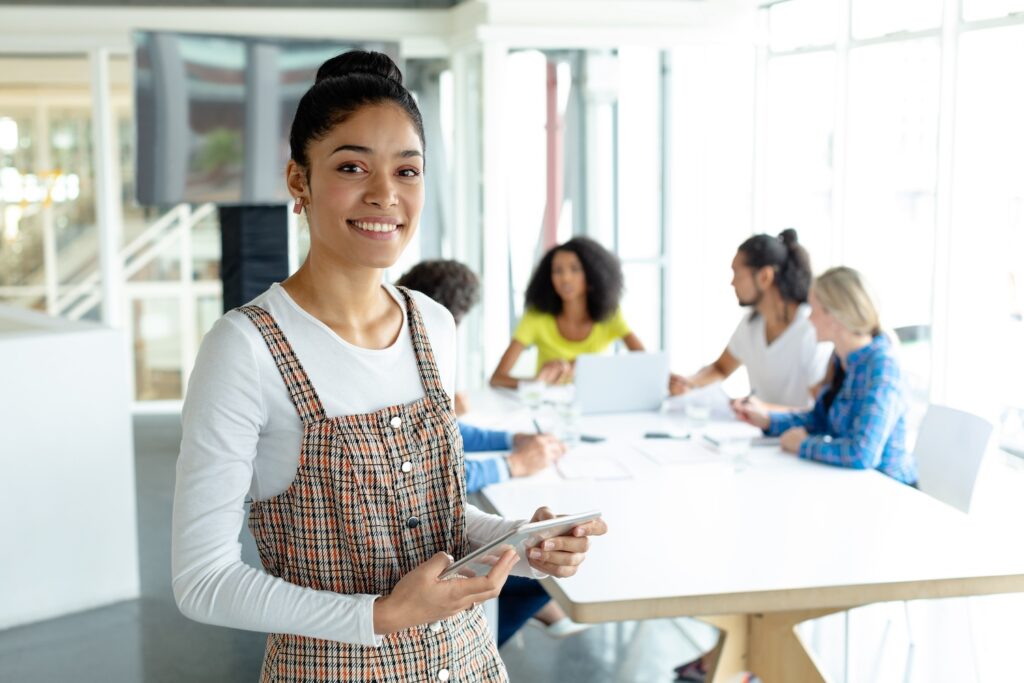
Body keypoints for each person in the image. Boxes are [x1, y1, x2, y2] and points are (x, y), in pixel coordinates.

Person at [171, 51, 606, 682]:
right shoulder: (246, 348)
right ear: (299, 181)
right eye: (352, 167)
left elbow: (437, 516)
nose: (386, 194)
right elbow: (201, 580)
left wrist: (521, 542)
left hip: (469, 664)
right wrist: (378, 616)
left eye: (408, 170)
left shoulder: (434, 324)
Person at [397, 259, 586, 645]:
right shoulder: (412, 355)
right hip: (418, 552)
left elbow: (449, 433)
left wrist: (510, 441)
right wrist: (512, 464)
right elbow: (432, 477)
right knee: (538, 579)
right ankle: (487, 634)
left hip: (442, 526)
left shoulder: (417, 347)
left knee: (538, 565)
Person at [734, 266, 916, 485]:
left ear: (835, 316)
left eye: (813, 309)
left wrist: (804, 445)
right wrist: (768, 419)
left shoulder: (883, 367)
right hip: (851, 483)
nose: (808, 318)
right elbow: (821, 418)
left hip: (888, 490)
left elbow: (862, 454)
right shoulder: (841, 360)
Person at [671, 229, 832, 409]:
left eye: (737, 273)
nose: (732, 283)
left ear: (764, 277)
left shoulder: (811, 328)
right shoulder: (751, 324)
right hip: (759, 431)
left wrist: (761, 410)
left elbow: (820, 412)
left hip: (795, 434)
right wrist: (689, 383)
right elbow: (721, 368)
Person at [490, 236, 646, 388]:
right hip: (548, 408)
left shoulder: (610, 315)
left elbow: (645, 362)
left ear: (592, 275)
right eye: (557, 270)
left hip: (595, 405)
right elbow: (497, 378)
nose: (565, 278)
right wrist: (536, 383)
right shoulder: (536, 317)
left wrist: (588, 367)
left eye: (575, 269)